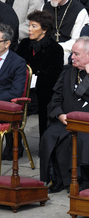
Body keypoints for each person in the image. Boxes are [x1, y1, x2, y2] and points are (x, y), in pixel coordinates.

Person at [40, 36, 89, 193]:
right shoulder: (68, 71)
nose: (72, 57)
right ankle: (58, 178)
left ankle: (81, 179)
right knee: (50, 134)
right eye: (72, 53)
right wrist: (60, 115)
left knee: (81, 137)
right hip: (68, 121)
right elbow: (55, 98)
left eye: (76, 54)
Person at [16, 10, 64, 140]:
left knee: (45, 104)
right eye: (30, 25)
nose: (29, 29)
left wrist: (35, 77)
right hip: (22, 88)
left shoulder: (55, 49)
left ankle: (45, 147)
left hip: (43, 92)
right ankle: (13, 146)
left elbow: (54, 76)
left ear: (44, 29)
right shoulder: (24, 44)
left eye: (34, 26)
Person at [0, 23, 26, 160]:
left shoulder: (18, 63)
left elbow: (16, 91)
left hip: (6, 104)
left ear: (7, 43)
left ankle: (14, 146)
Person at [43, 0, 89, 64]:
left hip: (67, 53)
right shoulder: (46, 7)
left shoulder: (80, 11)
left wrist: (57, 48)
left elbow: (77, 40)